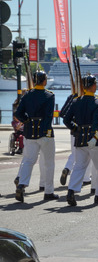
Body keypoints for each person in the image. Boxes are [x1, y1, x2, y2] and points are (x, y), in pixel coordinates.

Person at [63, 75, 98, 206]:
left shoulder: (76, 101)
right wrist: (94, 136)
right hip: (94, 140)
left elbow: (66, 119)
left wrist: (76, 129)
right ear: (93, 86)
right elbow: (96, 122)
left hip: (80, 138)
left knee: (79, 166)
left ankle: (71, 191)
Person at [14, 71, 58, 202]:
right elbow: (49, 116)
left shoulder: (27, 94)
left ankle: (22, 184)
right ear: (44, 81)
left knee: (28, 160)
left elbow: (18, 113)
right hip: (45, 133)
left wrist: (27, 121)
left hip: (29, 132)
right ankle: (48, 191)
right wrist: (43, 131)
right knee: (49, 163)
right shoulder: (49, 95)